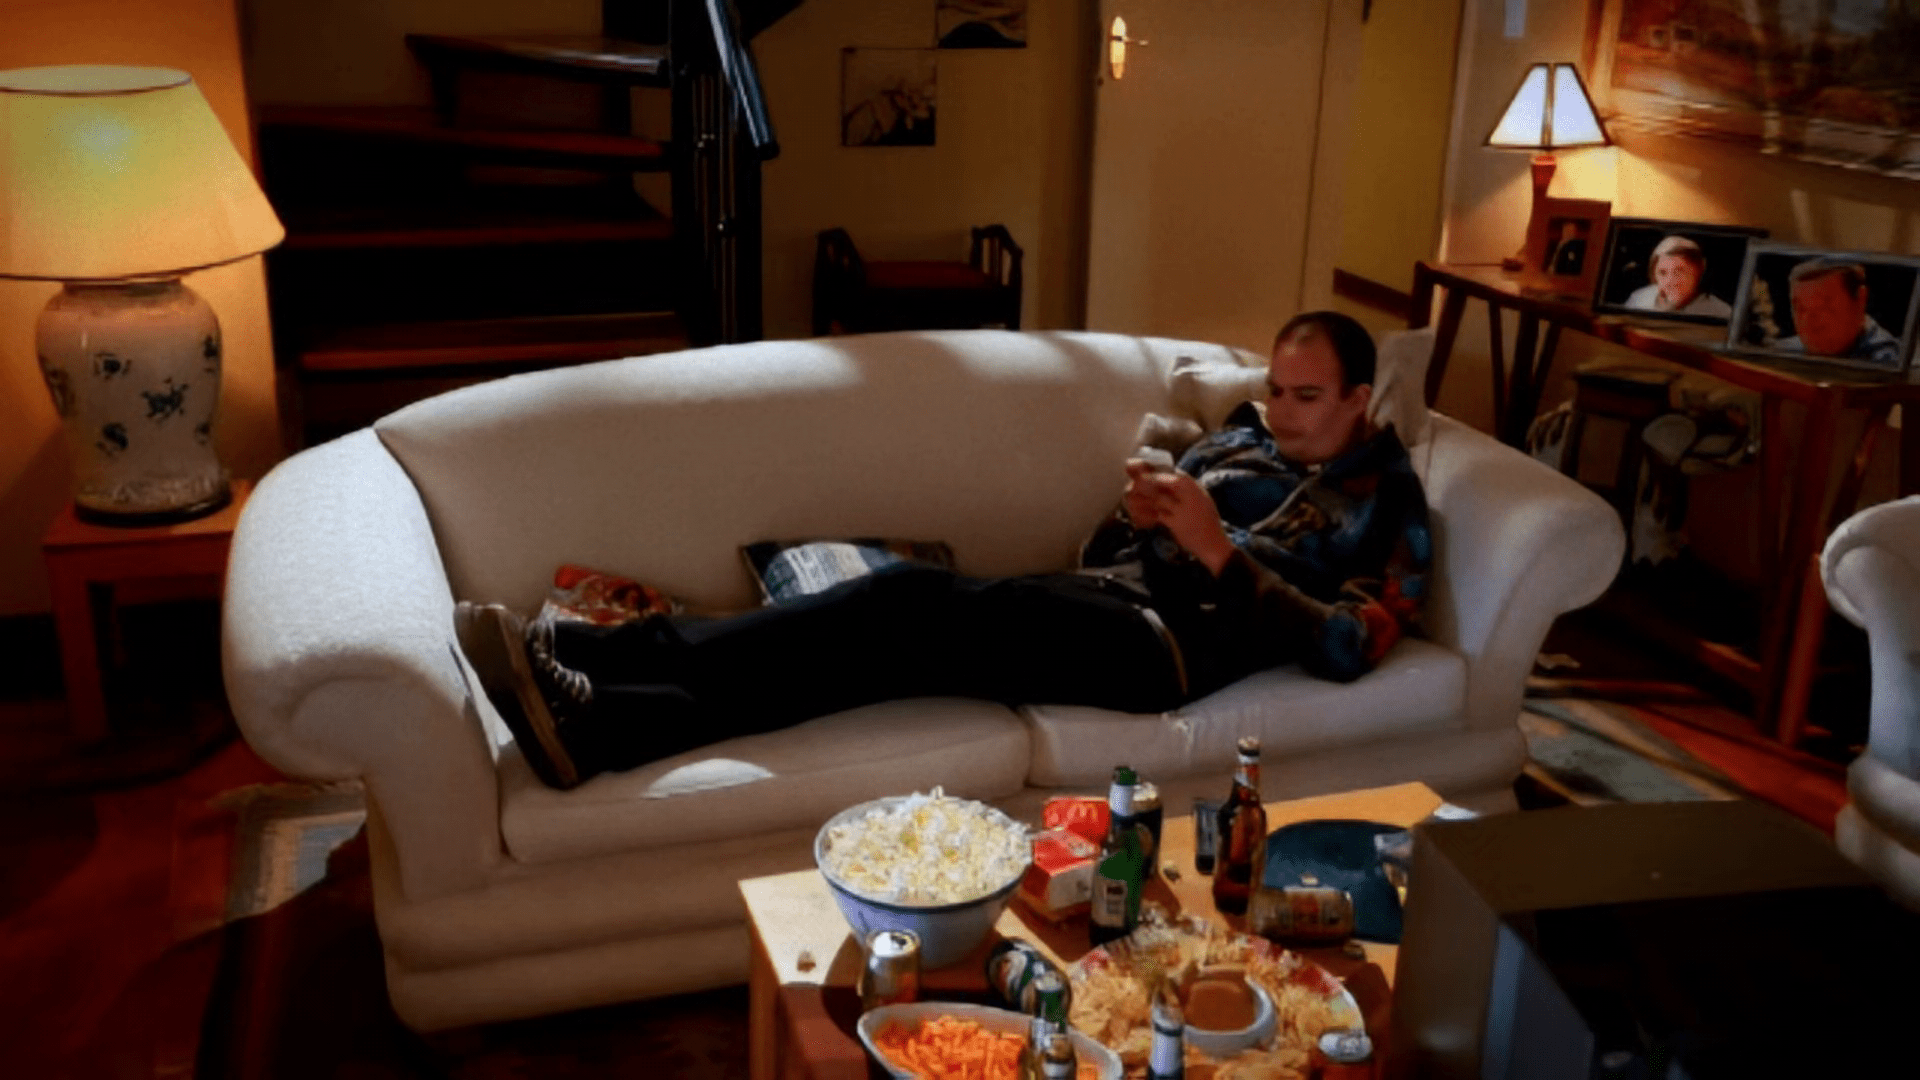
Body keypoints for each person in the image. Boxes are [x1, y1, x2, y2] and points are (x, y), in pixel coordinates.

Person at [458, 312, 1434, 790]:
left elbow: (1349, 644)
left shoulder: (1388, 503)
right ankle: (604, 720)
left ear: (1360, 400)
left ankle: (600, 656)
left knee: (902, 602)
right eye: (1278, 391)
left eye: (1309, 398)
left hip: (1165, 654)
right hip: (1101, 596)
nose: (1283, 413)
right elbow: (1116, 543)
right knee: (871, 654)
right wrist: (1141, 518)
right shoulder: (1241, 441)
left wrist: (1222, 557)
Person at [1775, 257, 1903, 366]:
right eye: (1801, 309)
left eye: (1823, 307)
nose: (1810, 322)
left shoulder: (1886, 363)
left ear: (1861, 300)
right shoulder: (1782, 352)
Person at [1625, 235, 1732, 318]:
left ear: (1700, 269)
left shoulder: (1721, 313)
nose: (1670, 281)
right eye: (1662, 273)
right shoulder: (1639, 299)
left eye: (1679, 272)